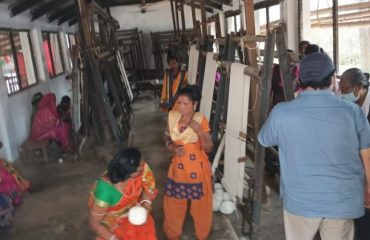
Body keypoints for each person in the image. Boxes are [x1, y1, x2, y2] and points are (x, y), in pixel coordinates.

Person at [258, 53, 370, 240]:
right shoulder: (354, 113)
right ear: (333, 79)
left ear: (300, 81)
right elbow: (367, 156)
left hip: (300, 201)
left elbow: (264, 139)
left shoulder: (282, 113)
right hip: (341, 201)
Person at [163, 85, 213, 240]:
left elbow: (209, 148)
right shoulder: (173, 117)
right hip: (178, 171)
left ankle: (202, 235)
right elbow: (166, 137)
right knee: (173, 205)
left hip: (197, 171)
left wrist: (200, 132)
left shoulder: (201, 120)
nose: (181, 107)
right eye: (179, 103)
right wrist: (170, 146)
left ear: (195, 104)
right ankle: (173, 234)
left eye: (186, 104)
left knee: (201, 207)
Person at [89, 148, 158, 240]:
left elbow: (148, 188)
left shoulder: (141, 169)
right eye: (140, 169)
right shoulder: (105, 190)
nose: (144, 167)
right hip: (113, 223)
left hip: (136, 212)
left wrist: (145, 205)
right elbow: (94, 224)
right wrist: (114, 239)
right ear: (130, 173)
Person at [0, 140, 30, 227]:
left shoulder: (2, 166)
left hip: (10, 189)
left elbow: (10, 180)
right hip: (14, 188)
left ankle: (6, 212)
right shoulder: (3, 162)